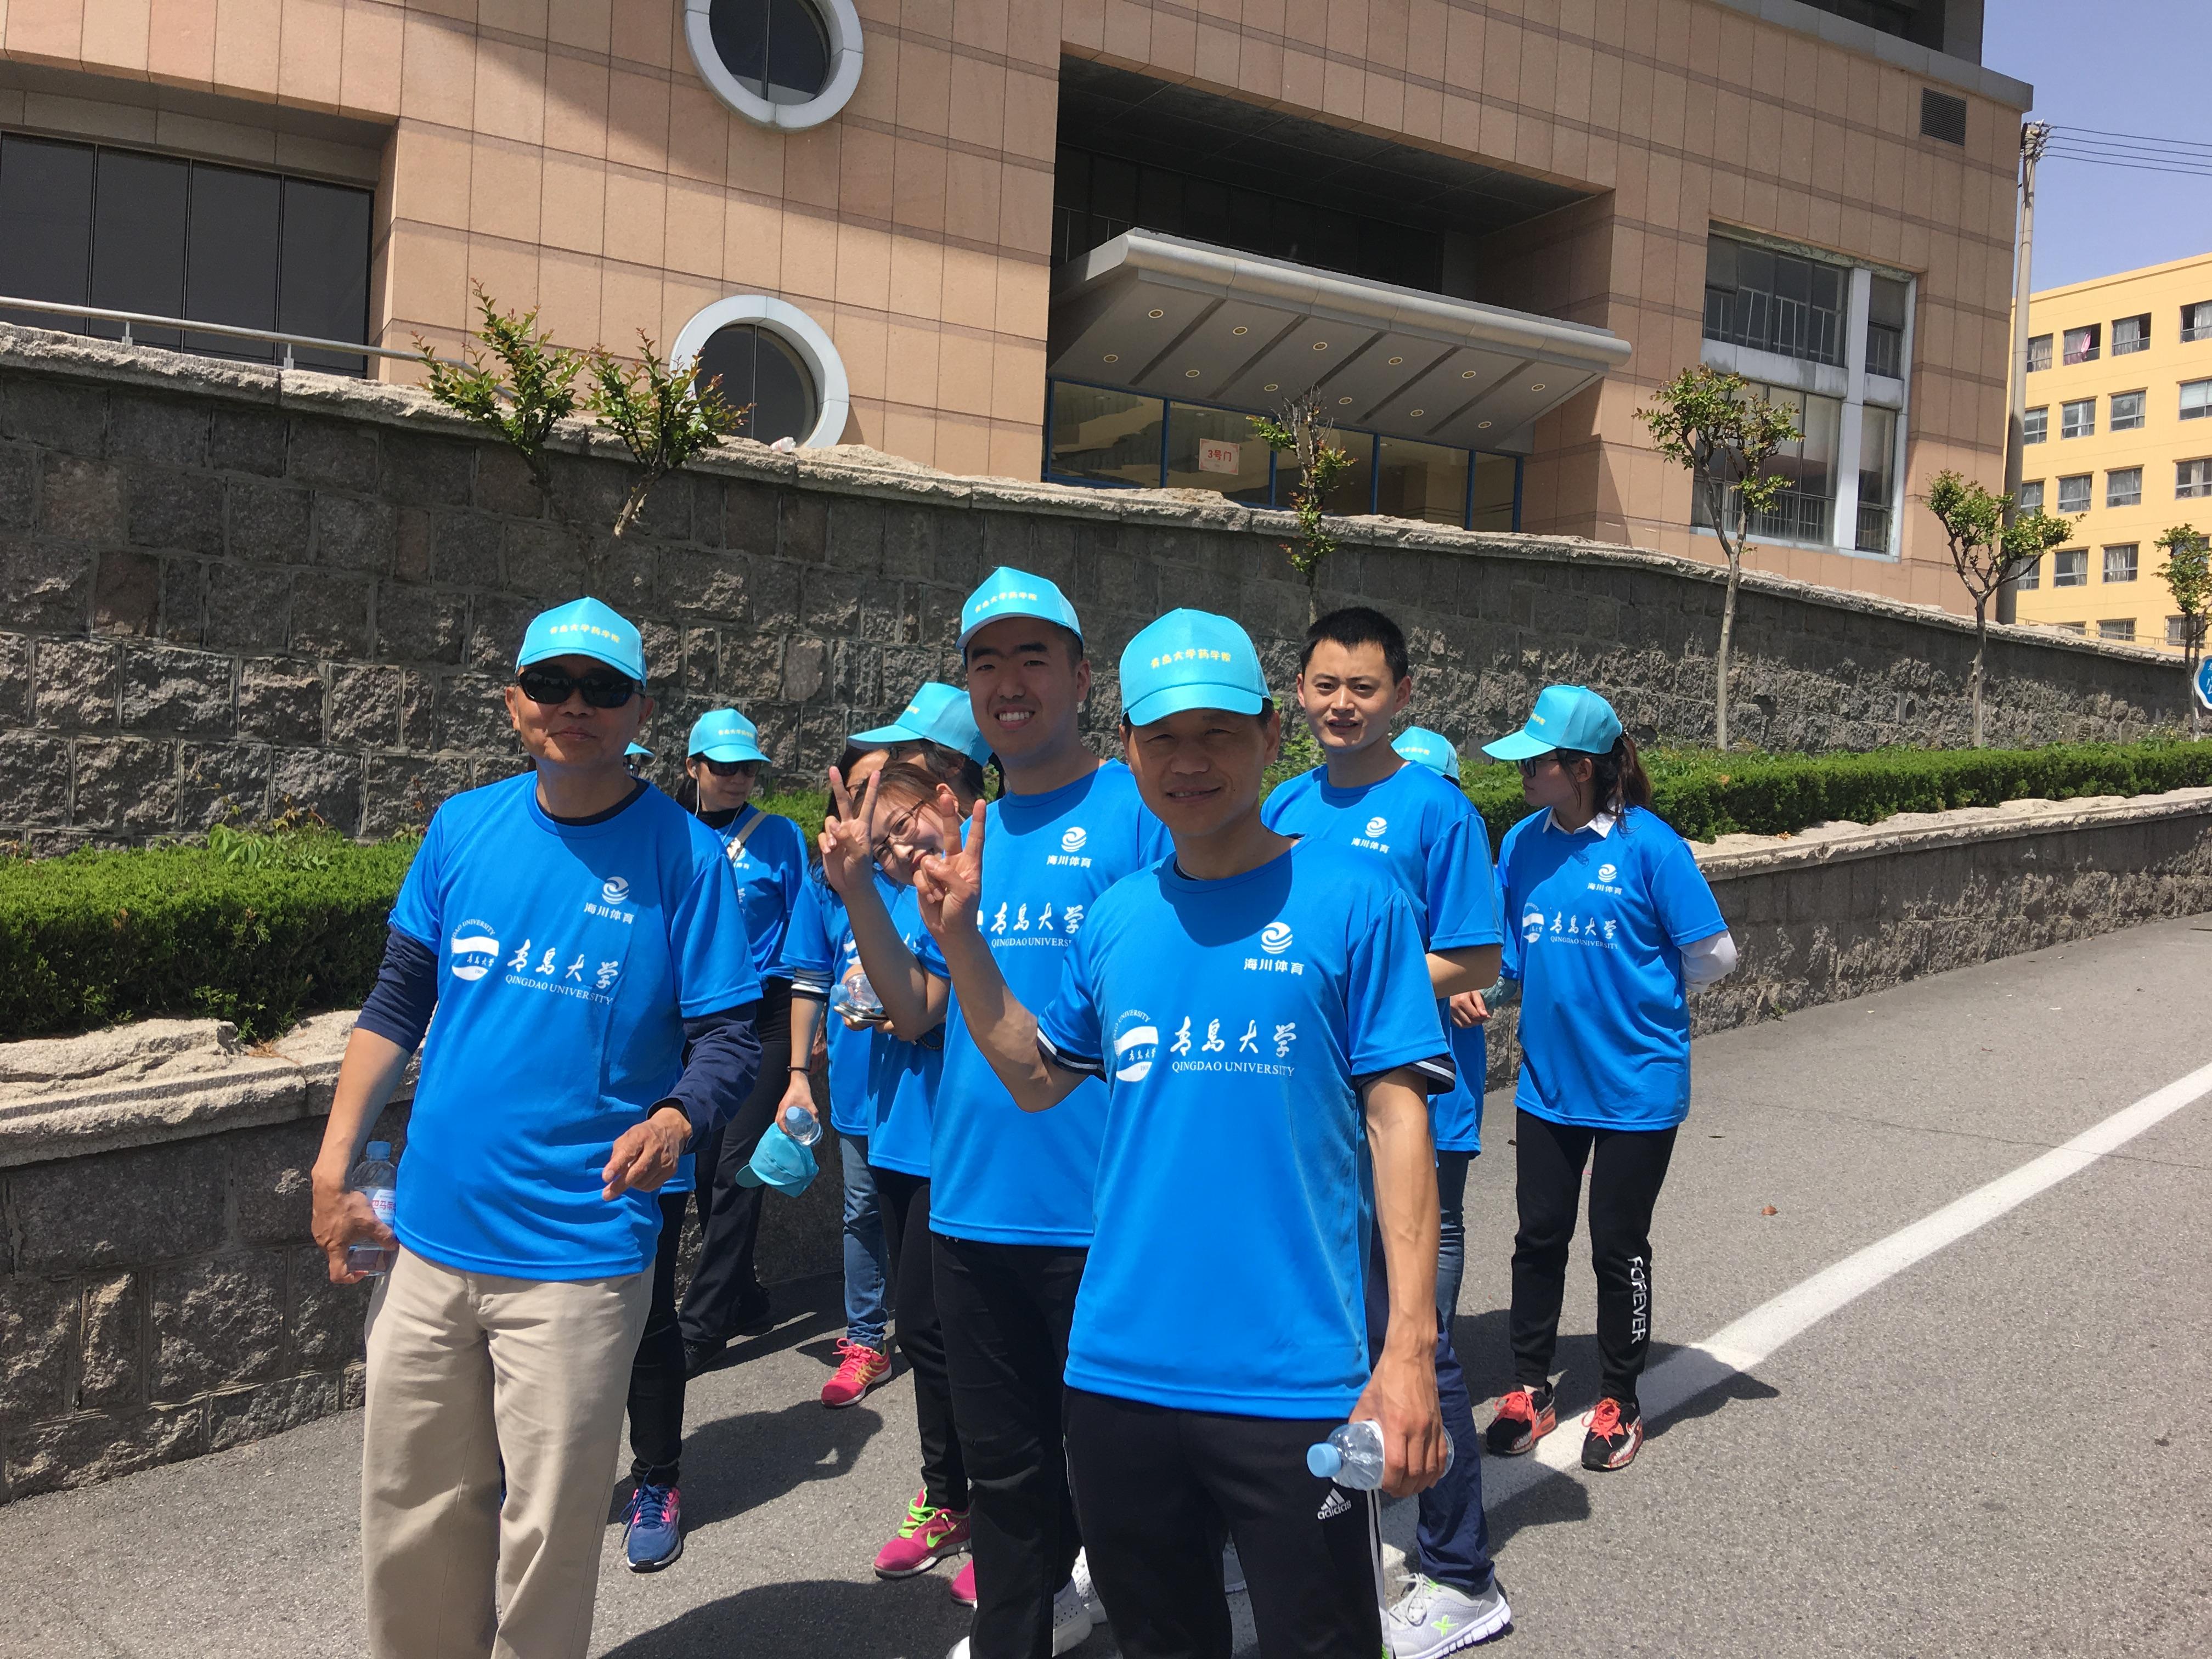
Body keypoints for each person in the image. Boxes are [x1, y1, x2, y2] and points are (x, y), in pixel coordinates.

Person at [911, 606, 1454, 1659]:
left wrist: (1410, 1349)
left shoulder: (1357, 898)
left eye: (1217, 732)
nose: (1189, 760)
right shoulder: (1116, 915)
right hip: (1116, 1375)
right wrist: (963, 942)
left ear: (1269, 733)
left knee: (1327, 1641)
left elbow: (1399, 1119)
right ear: (1129, 747)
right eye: (1163, 736)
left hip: (1303, 1376)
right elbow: (1034, 1075)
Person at [307, 596, 763, 1659]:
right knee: (412, 1509)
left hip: (581, 1250)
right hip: (428, 1237)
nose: (575, 706)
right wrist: (334, 1167)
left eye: (603, 689)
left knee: (547, 1528)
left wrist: (677, 1117)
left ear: (640, 711)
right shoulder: (464, 827)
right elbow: (396, 1003)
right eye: (552, 684)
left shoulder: (685, 858)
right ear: (514, 702)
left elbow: (727, 1036)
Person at [826, 567, 1170, 1659]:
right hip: (972, 1206)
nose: (1009, 682)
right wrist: (860, 891)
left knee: (1126, 1486)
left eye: (1032, 657)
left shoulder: (1139, 810)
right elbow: (919, 1009)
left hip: (1106, 1211)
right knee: (1009, 1486)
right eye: (987, 662)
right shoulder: (968, 831)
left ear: (1082, 675)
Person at [1261, 608, 1510, 1655]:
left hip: (1404, 1113)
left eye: (1362, 686)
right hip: (1301, 1117)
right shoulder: (1280, 803)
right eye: (1324, 684)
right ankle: (1314, 1529)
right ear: (1298, 690)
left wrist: (1352, 985)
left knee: (1411, 1338)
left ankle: (1461, 1571)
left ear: (1401, 695)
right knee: (1310, 1328)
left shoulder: (1436, 811)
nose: (1341, 704)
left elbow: (1477, 958)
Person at [1477, 686, 1736, 1472]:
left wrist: (1641, 997)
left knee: (1619, 1245)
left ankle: (1620, 1397)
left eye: (1537, 761)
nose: (1523, 773)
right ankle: (1530, 1388)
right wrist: (1476, 994)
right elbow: (1511, 961)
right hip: (1548, 1084)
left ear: (1582, 768)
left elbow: (1715, 956)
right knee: (1538, 1238)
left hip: (1637, 1086)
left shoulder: (1650, 846)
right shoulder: (1521, 845)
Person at [800, 762, 981, 1584]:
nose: (899, 849)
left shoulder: (979, 879)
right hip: (905, 1137)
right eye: (881, 845)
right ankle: (948, 1495)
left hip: (975, 1144)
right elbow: (898, 1007)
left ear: (946, 800)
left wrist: (902, 1009)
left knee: (988, 1343)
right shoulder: (889, 899)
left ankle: (1017, 1517)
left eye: (902, 824)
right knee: (928, 1336)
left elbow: (930, 1010)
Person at [678, 707, 809, 1375]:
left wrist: (809, 1032)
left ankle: (700, 1327)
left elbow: (805, 929)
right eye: (724, 767)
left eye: (748, 768)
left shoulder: (780, 836)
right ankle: (747, 1298)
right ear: (694, 767)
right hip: (698, 1015)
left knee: (735, 1167)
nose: (737, 778)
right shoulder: (671, 832)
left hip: (766, 1012)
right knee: (704, 1168)